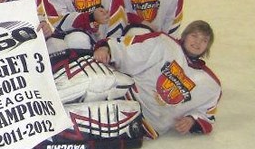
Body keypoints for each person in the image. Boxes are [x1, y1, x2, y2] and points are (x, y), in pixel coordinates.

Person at [93, 20, 221, 138]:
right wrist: (106, 48)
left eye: (204, 40)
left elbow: (207, 114)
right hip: (127, 99)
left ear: (208, 47)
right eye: (194, 36)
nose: (198, 42)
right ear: (185, 35)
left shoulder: (210, 84)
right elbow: (129, 49)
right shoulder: (164, 44)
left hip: (148, 126)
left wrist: (192, 120)